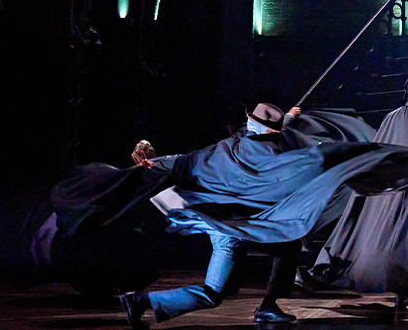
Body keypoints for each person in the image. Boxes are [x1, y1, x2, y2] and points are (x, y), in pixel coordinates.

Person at [119, 104, 304, 327]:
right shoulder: (259, 153)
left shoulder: (238, 141)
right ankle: (139, 301)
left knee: (289, 245)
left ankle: (268, 307)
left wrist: (156, 163)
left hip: (242, 225)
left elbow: (190, 159)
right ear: (267, 133)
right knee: (213, 294)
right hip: (228, 231)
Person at [312, 71, 408, 305]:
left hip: (394, 185)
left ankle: (396, 285)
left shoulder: (392, 117)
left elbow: (382, 152)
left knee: (393, 234)